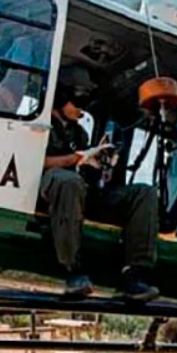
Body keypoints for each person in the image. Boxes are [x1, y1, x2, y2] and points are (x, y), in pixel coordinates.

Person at [40, 63, 160, 301]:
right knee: (67, 181)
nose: (82, 109)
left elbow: (87, 170)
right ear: (62, 95)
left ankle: (133, 274)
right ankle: (72, 269)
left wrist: (101, 162)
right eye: (78, 98)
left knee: (144, 193)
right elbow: (35, 162)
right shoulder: (41, 125)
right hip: (51, 192)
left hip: (82, 194)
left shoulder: (80, 134)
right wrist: (77, 159)